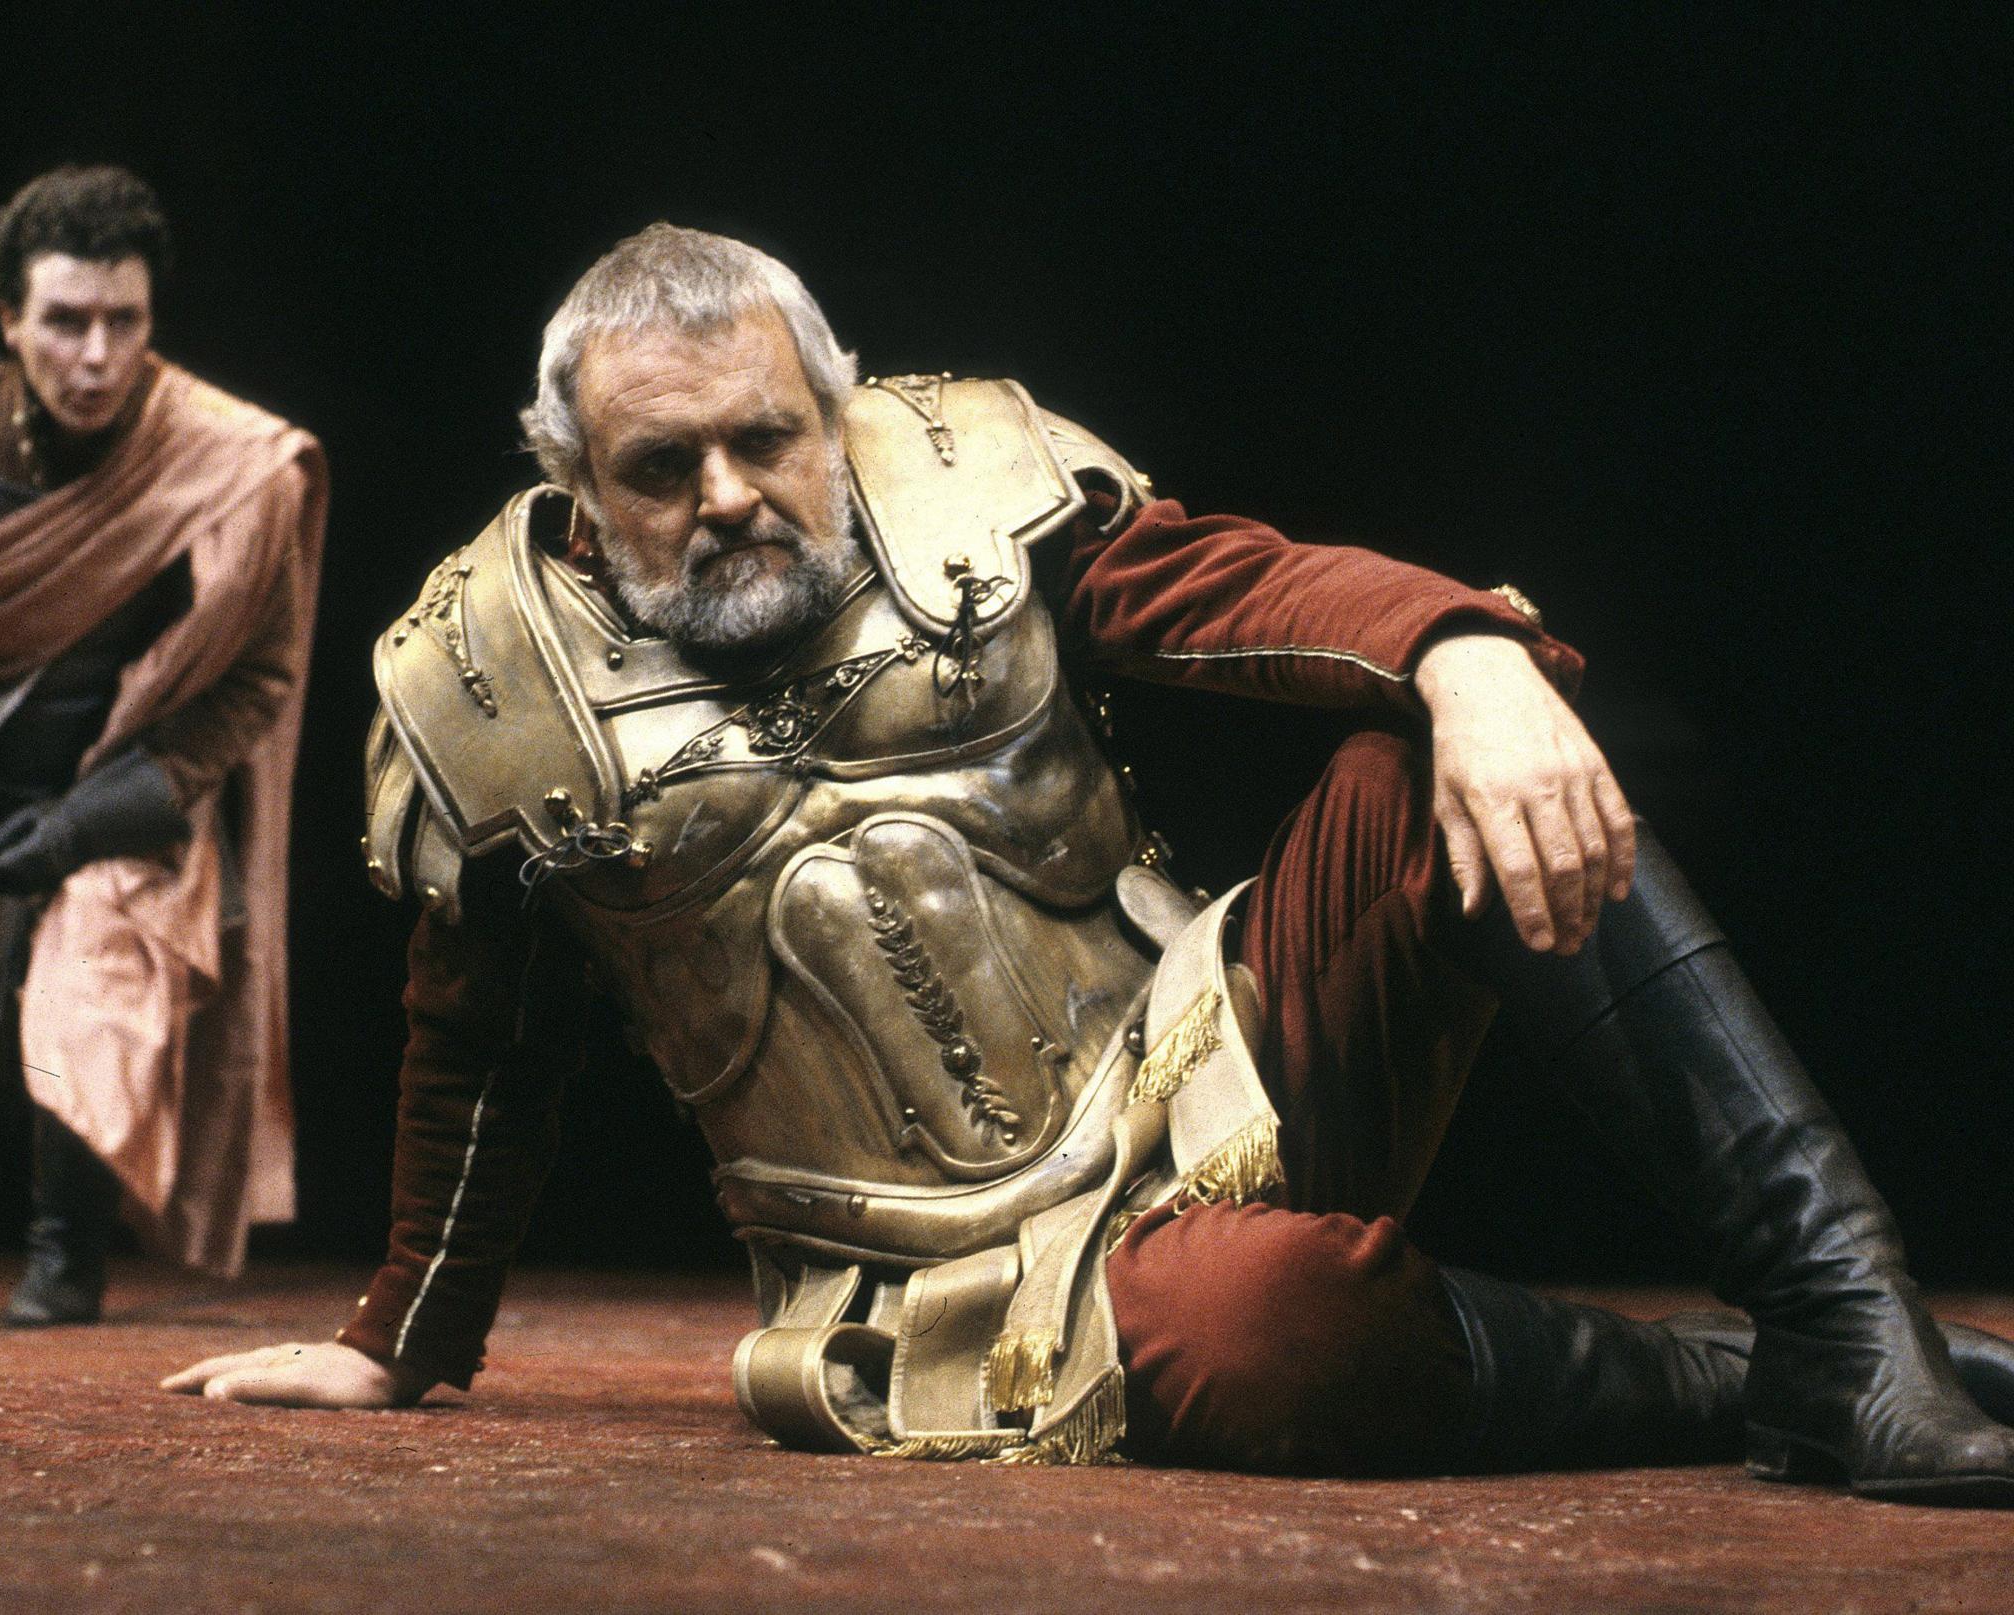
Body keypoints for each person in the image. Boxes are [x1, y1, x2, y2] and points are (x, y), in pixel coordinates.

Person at [166, 224, 2014, 1504]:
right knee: (1250, 1329)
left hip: (1200, 1075)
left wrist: (1469, 658)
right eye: (665, 465)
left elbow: (1241, 591)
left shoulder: (968, 476)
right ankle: (1755, 1382)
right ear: (571, 479)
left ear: (840, 410)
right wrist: (398, 1340)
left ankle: (1843, 1312)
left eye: (766, 439)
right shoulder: (473, 679)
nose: (728, 492)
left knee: (1466, 748)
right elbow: (476, 1046)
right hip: (919, 1281)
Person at [0, 165, 326, 1322]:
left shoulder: (227, 463)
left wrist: (102, 813)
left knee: (85, 987)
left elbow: (263, 677)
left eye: (122, 322)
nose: (94, 355)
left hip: (127, 788)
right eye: (66, 322)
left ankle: (62, 1247)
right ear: (7, 320)